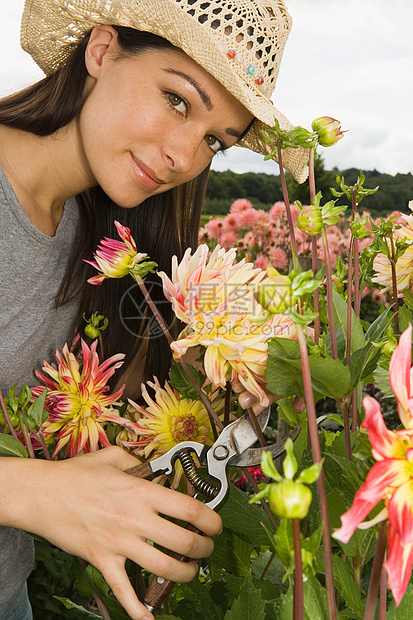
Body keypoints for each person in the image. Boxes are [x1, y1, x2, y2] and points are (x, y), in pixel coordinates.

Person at [0, 0, 309, 618]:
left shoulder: (107, 244)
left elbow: (110, 435)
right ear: (102, 49)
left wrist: (225, 389)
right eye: (177, 100)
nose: (184, 158)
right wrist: (33, 493)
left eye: (214, 143)